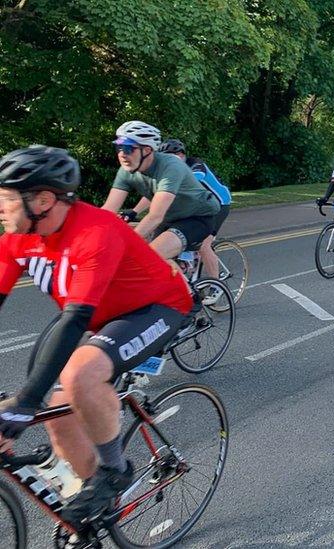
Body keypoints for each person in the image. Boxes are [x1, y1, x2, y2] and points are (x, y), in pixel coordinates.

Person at [0, 146, 192, 528]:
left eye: (6, 200)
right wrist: (27, 402)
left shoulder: (95, 231)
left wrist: (25, 401)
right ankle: (93, 504)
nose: (0, 209)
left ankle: (114, 471)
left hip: (157, 306)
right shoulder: (16, 239)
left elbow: (75, 320)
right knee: (56, 415)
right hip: (101, 315)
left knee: (78, 375)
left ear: (42, 200)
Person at [102, 121, 220, 261]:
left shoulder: (171, 166)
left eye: (128, 148)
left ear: (147, 150)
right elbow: (107, 211)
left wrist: (123, 245)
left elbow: (155, 216)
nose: (122, 154)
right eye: (118, 148)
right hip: (169, 219)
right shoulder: (126, 171)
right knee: (159, 266)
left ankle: (210, 282)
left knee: (149, 257)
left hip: (196, 217)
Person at [157, 139, 231, 286]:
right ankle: (186, 263)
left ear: (181, 155)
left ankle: (216, 287)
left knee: (204, 244)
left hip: (219, 204)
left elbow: (191, 179)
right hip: (198, 207)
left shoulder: (196, 165)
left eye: (171, 157)